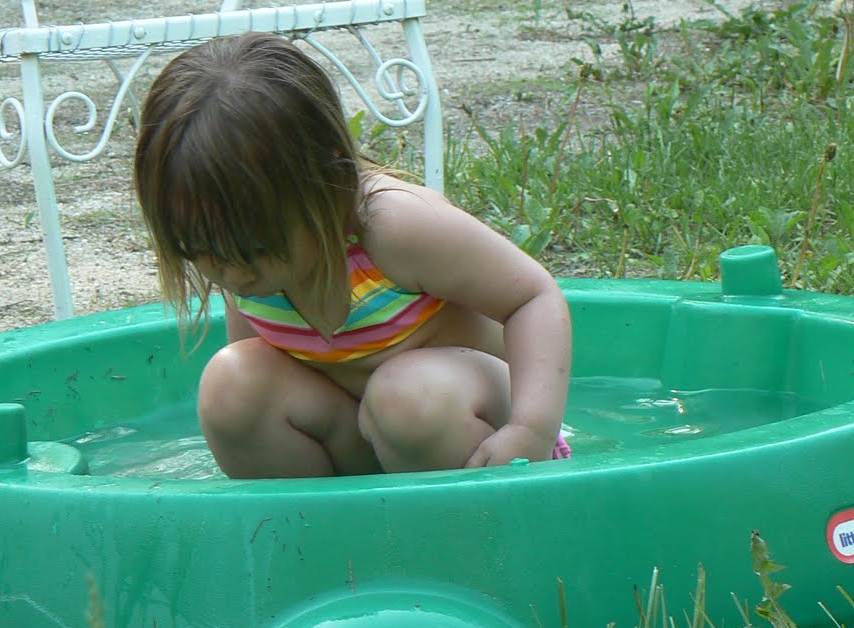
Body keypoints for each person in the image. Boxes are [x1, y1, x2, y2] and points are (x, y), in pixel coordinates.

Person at [133, 32, 572, 479]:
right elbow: (265, 379)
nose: (229, 272)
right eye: (198, 250)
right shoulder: (247, 265)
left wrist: (531, 427)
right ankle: (319, 538)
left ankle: (464, 536)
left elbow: (533, 296)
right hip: (367, 437)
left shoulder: (394, 228)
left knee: (405, 397)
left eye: (256, 248)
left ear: (330, 180)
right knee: (234, 386)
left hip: (472, 426)